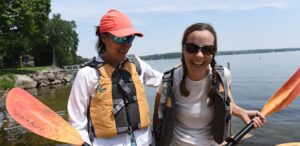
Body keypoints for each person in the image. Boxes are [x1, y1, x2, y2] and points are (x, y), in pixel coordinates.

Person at [153, 23, 266, 146]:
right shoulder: (169, 81)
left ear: (214, 52)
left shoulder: (223, 76)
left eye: (208, 50)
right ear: (183, 49)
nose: (199, 55)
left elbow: (228, 103)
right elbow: (157, 121)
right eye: (192, 48)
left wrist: (242, 112)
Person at [67, 9, 162, 146]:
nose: (127, 44)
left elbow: (165, 81)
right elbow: (76, 123)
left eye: (130, 38)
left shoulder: (136, 64)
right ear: (104, 37)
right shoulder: (87, 74)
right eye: (121, 38)